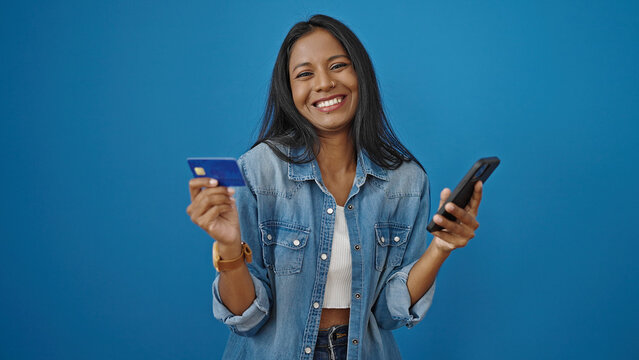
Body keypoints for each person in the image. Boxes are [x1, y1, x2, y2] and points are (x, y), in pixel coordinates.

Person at [186, 14, 483, 360]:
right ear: (290, 91)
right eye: (305, 74)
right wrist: (228, 247)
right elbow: (247, 319)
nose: (324, 83)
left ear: (360, 73)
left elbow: (390, 314)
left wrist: (441, 248)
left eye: (338, 65)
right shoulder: (257, 171)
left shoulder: (406, 181)